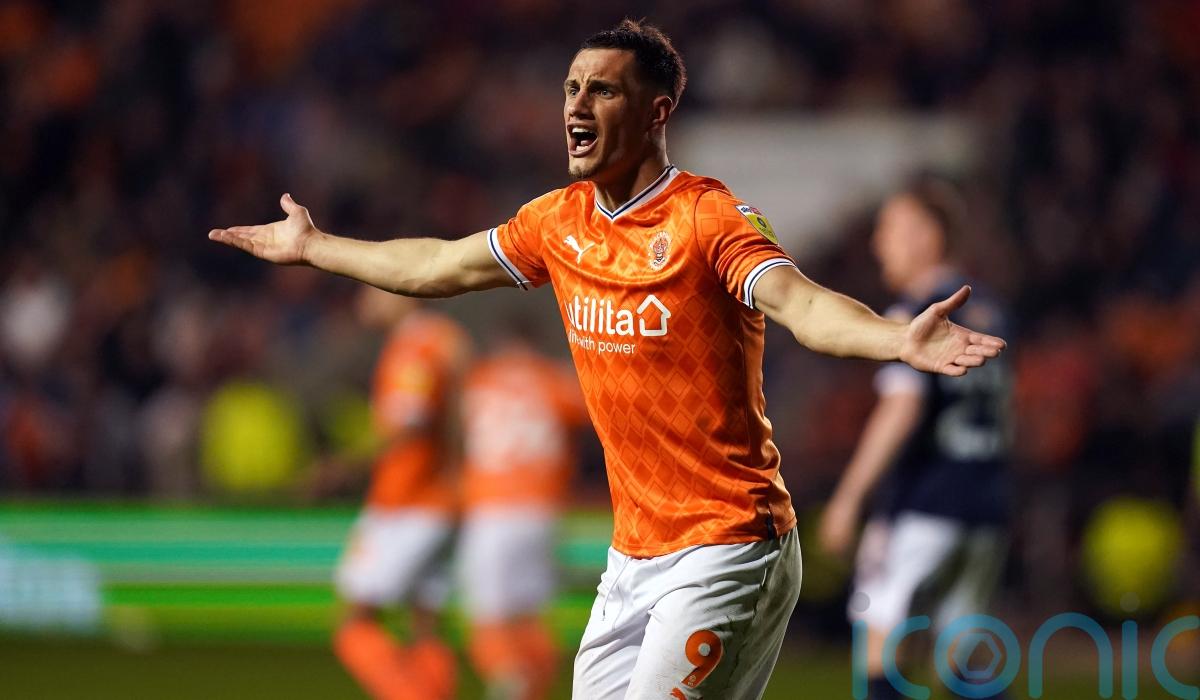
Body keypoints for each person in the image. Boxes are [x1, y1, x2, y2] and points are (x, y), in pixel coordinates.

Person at [210, 20, 1005, 698]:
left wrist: (895, 338)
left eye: (602, 91)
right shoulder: (557, 223)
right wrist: (316, 247)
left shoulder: (708, 219)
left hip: (727, 541)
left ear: (657, 112)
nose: (576, 106)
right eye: (570, 89)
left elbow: (801, 305)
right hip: (634, 554)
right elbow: (436, 265)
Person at [818, 180, 1012, 700]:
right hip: (984, 503)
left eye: (891, 229)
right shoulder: (991, 309)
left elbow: (901, 408)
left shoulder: (916, 314)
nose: (879, 242)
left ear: (928, 236)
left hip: (924, 503)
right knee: (962, 659)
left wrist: (849, 497)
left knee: (881, 650)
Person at [330, 286, 471, 700]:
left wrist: (343, 465)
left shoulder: (415, 346)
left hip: (406, 501)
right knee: (426, 623)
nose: (363, 300)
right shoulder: (444, 338)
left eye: (370, 291)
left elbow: (409, 422)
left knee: (355, 621)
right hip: (442, 499)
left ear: (401, 294)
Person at [457, 327, 586, 700]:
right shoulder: (553, 378)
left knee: (486, 614)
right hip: (540, 510)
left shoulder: (480, 379)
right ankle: (538, 686)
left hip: (491, 506)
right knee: (529, 612)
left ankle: (509, 682)